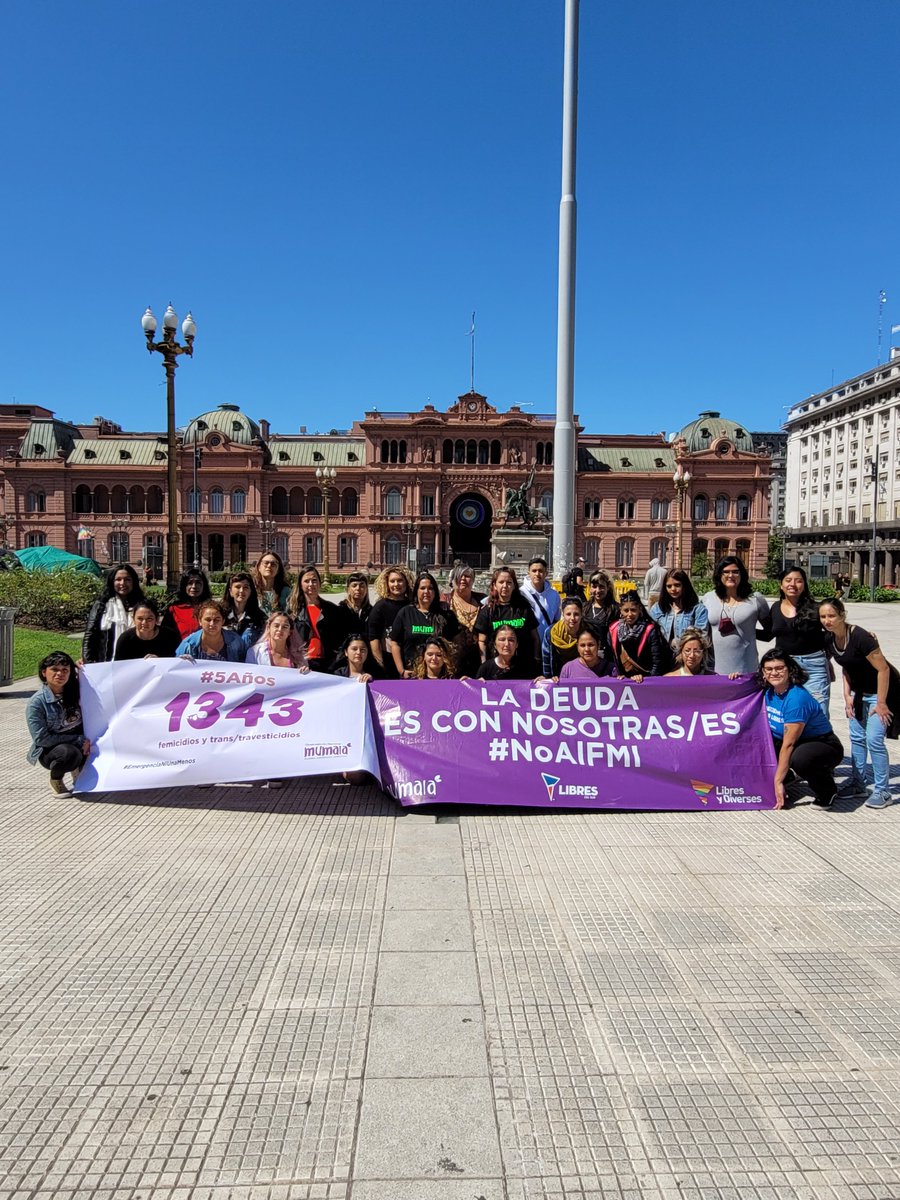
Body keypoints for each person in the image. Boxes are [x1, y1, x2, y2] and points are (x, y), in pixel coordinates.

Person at [820, 597, 899, 808]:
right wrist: (847, 696)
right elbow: (847, 667)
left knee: (874, 739)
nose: (827, 620)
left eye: (831, 616)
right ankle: (858, 783)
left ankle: (883, 791)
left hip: (881, 694)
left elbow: (883, 670)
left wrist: (881, 702)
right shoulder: (829, 639)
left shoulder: (861, 637)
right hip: (858, 693)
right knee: (856, 738)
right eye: (823, 616)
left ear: (842, 615)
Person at [759, 648, 843, 810]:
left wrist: (777, 781)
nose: (774, 673)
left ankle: (827, 790)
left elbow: (789, 745)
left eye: (779, 668)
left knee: (801, 759)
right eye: (769, 669)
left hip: (821, 744)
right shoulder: (768, 691)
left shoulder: (796, 699)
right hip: (787, 742)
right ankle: (788, 776)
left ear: (789, 670)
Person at [26, 652, 91, 797]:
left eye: (65, 670)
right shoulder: (36, 703)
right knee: (69, 754)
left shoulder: (77, 691)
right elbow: (42, 739)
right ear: (44, 672)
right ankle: (56, 779)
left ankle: (81, 771)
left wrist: (86, 667)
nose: (60, 674)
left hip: (81, 741)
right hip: (52, 749)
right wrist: (78, 740)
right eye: (54, 669)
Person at [771, 565, 830, 715]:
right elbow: (768, 634)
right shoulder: (775, 608)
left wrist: (855, 631)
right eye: (788, 580)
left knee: (818, 710)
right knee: (789, 708)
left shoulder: (816, 608)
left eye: (798, 581)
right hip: (785, 665)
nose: (793, 584)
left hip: (814, 665)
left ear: (804, 584)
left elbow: (833, 629)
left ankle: (820, 738)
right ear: (781, 585)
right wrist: (741, 629)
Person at [702, 555, 772, 676]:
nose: (730, 575)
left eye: (735, 572)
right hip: (714, 669)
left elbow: (770, 632)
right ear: (719, 574)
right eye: (726, 572)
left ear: (742, 574)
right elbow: (701, 631)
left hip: (745, 668)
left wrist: (749, 631)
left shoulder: (755, 599)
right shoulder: (708, 598)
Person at [390, 571, 460, 677]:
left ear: (435, 591)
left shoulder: (446, 615)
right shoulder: (405, 613)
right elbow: (395, 643)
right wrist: (401, 670)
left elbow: (456, 643)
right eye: (422, 588)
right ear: (416, 591)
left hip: (440, 676)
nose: (426, 591)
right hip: (412, 675)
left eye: (430, 588)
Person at [473, 567, 541, 675]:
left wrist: (537, 661)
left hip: (523, 667)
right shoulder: (487, 611)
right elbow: (482, 642)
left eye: (509, 582)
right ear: (495, 585)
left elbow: (535, 638)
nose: (505, 586)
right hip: (496, 668)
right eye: (501, 582)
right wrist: (485, 666)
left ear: (514, 585)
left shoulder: (524, 608)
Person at [82, 564, 147, 663]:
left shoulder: (143, 606)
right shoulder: (101, 605)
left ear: (134, 582)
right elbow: (90, 635)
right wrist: (88, 661)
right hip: (107, 661)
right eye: (118, 579)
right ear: (112, 582)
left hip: (137, 661)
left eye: (127, 579)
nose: (123, 583)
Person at [288, 565, 342, 672]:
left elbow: (339, 637)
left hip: (328, 663)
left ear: (319, 583)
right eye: (306, 581)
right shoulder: (293, 610)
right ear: (300, 584)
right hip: (302, 663)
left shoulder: (332, 609)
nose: (310, 584)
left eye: (314, 580)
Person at [608, 590, 669, 680]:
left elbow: (657, 663)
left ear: (639, 609)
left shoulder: (650, 631)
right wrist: (619, 675)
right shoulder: (613, 630)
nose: (629, 614)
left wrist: (647, 680)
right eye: (626, 610)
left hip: (644, 680)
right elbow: (612, 658)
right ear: (620, 610)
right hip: (624, 680)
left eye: (633, 610)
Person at [367, 566, 414, 679]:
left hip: (411, 660)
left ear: (406, 582)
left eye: (400, 580)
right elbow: (374, 638)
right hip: (388, 660)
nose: (396, 584)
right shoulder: (380, 607)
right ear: (387, 584)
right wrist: (380, 665)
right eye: (392, 581)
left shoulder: (413, 605)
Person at [650, 569, 710, 657]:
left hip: (688, 659)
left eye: (677, 585)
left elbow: (701, 638)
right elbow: (651, 634)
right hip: (662, 659)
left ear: (685, 585)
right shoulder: (657, 608)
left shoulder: (698, 609)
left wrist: (677, 642)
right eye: (669, 586)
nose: (673, 589)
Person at [442, 562, 485, 676]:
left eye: (467, 576)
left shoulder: (483, 601)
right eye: (460, 576)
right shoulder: (444, 601)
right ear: (453, 580)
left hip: (478, 658)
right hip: (452, 659)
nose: (463, 579)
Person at [176, 600, 247, 662]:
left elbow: (246, 665)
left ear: (223, 621)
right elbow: (177, 669)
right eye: (208, 620)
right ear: (200, 621)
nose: (212, 624)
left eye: (217, 620)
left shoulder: (236, 641)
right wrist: (182, 662)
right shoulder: (188, 645)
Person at [113, 599, 180, 660]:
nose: (144, 623)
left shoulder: (170, 636)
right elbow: (119, 667)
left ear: (157, 619)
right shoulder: (125, 640)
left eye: (149, 619)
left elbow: (177, 661)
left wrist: (159, 661)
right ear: (133, 619)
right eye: (140, 619)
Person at [520, 556, 562, 643]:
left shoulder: (554, 595)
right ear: (529, 573)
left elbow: (556, 620)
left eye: (540, 571)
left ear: (546, 573)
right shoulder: (521, 593)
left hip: (548, 643)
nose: (537, 574)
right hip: (528, 643)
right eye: (534, 571)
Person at [542, 596, 585, 678]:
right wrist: (549, 679)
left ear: (581, 614)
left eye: (576, 614)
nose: (572, 618)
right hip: (557, 678)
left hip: (581, 677)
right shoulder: (551, 632)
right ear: (562, 614)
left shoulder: (588, 632)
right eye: (568, 614)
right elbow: (546, 661)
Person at [162, 570, 211, 641]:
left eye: (198, 583)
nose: (194, 586)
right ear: (184, 585)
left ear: (204, 585)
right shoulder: (174, 609)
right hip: (181, 650)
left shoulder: (210, 608)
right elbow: (165, 636)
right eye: (190, 583)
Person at [223, 571, 266, 649]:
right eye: (238, 587)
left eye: (246, 587)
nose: (241, 590)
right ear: (230, 592)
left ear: (250, 591)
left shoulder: (260, 617)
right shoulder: (221, 614)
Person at [252, 551, 292, 616]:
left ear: (278, 569)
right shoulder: (251, 590)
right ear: (259, 567)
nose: (269, 566)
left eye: (273, 564)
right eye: (266, 563)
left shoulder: (286, 592)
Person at [336, 571, 373, 641]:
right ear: (348, 589)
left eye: (362, 586)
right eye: (354, 585)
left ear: (366, 589)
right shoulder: (340, 610)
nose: (358, 588)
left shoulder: (371, 611)